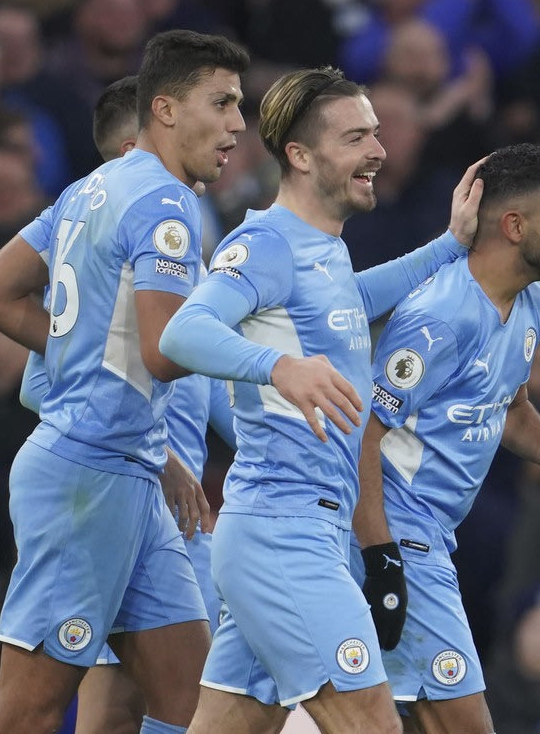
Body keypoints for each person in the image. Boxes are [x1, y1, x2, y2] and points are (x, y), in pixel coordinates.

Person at [159, 66, 484, 733]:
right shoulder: (266, 244)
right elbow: (183, 331)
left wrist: (451, 246)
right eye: (355, 137)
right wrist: (277, 367)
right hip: (284, 532)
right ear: (301, 156)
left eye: (376, 134)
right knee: (373, 723)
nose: (379, 151)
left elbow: (349, 302)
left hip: (304, 530)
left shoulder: (323, 251)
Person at [0, 29, 248, 734]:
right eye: (222, 103)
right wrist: (272, 362)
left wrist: (77, 346)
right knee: (26, 711)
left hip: (128, 470)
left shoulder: (86, 190)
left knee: (189, 706)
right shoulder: (168, 201)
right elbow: (163, 350)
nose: (239, 125)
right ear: (166, 109)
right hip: (88, 477)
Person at [346, 145, 540, 733]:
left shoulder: (535, 296)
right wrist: (380, 557)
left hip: (432, 535)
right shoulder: (441, 318)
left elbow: (508, 408)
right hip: (397, 531)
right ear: (515, 227)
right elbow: (361, 436)